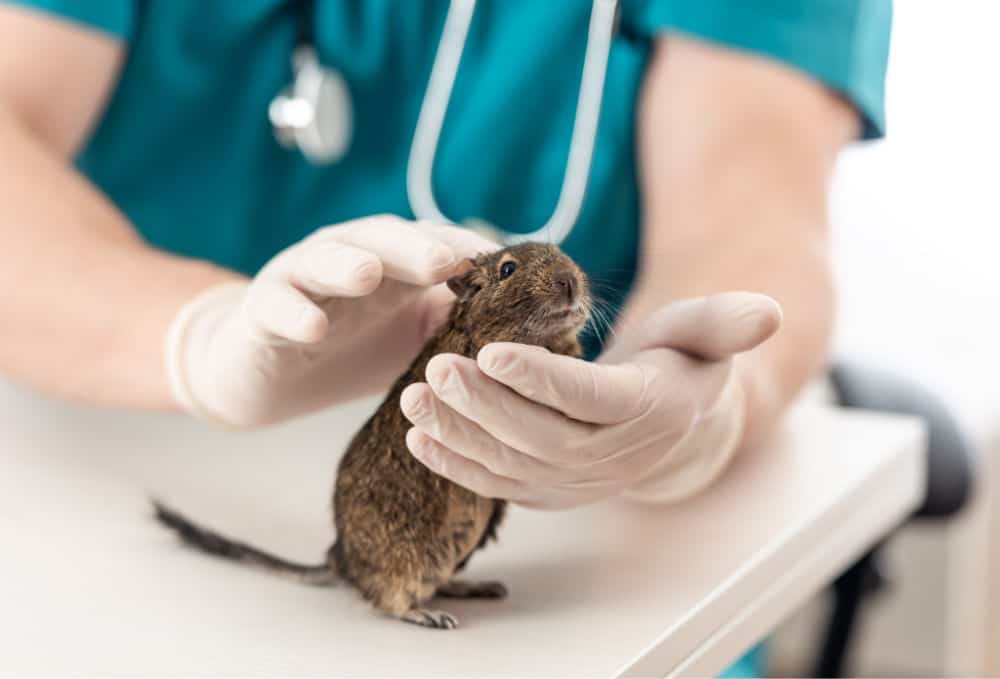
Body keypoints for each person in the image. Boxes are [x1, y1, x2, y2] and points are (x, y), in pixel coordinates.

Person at [0, 1, 889, 675]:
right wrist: (195, 335)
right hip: (88, 510)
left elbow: (756, 207)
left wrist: (701, 406)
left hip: (600, 577)